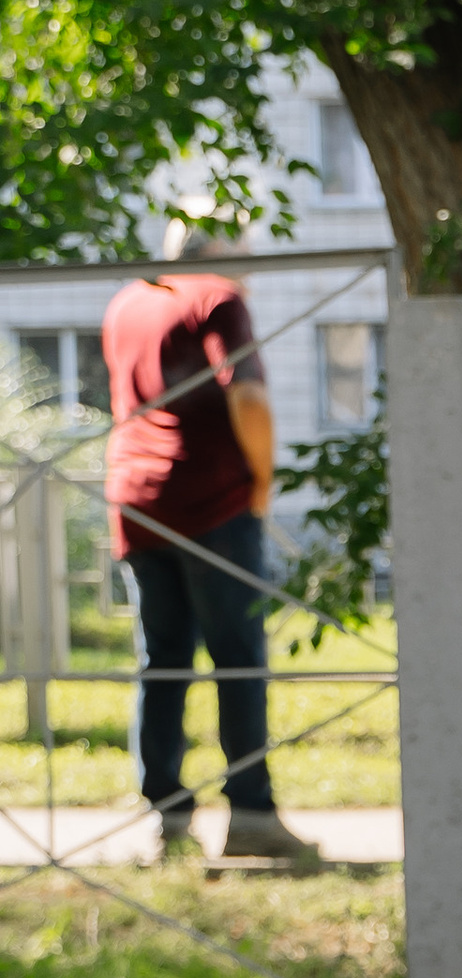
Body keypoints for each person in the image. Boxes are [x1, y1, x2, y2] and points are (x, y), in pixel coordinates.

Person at [101, 240, 318, 865]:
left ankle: (164, 818)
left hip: (137, 500)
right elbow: (247, 396)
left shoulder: (129, 301)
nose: (251, 262)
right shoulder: (218, 297)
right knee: (238, 658)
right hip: (211, 501)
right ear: (219, 248)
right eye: (243, 247)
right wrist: (260, 486)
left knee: (162, 660)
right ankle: (250, 815)